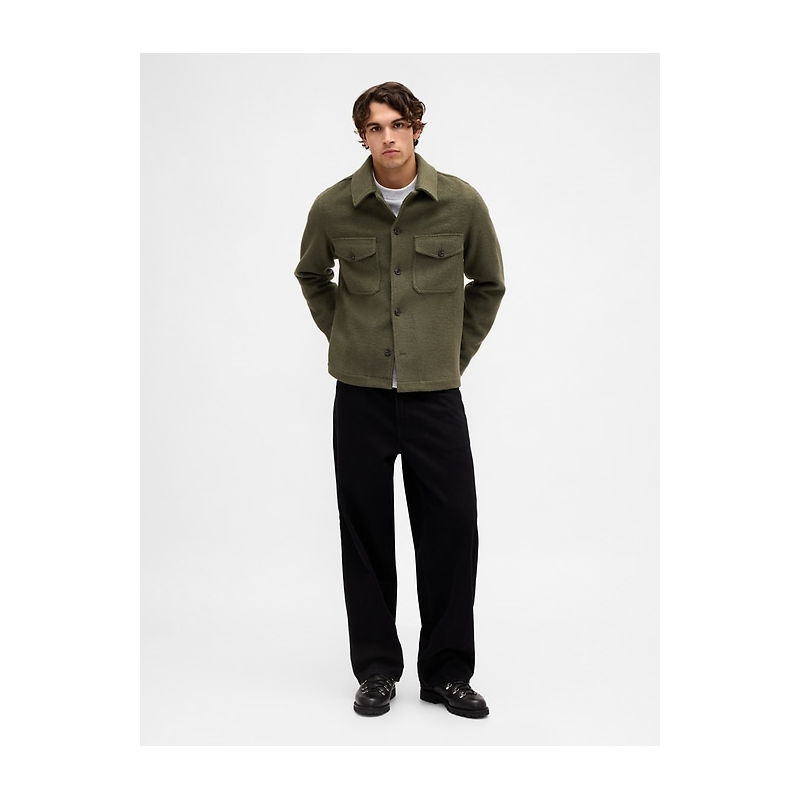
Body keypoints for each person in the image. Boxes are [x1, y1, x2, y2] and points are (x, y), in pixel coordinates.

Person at [294, 81, 505, 719]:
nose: (388, 137)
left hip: (434, 396)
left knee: (451, 532)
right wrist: (345, 334)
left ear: (416, 128)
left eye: (398, 124)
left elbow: (489, 283)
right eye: (375, 127)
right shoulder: (333, 207)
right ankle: (377, 670)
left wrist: (451, 355)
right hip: (359, 397)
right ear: (363, 136)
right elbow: (311, 274)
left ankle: (447, 674)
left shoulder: (460, 203)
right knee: (364, 534)